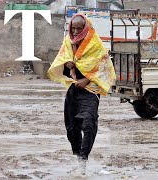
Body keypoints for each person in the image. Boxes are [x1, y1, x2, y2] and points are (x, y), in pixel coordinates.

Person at [47, 14, 115, 174]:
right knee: (71, 128)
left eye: (79, 28)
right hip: (73, 89)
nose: (76, 31)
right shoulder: (68, 42)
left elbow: (105, 68)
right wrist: (67, 64)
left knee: (89, 124)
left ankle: (84, 159)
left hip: (91, 91)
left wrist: (87, 79)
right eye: (73, 28)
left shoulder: (95, 43)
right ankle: (78, 157)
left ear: (85, 27)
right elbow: (61, 64)